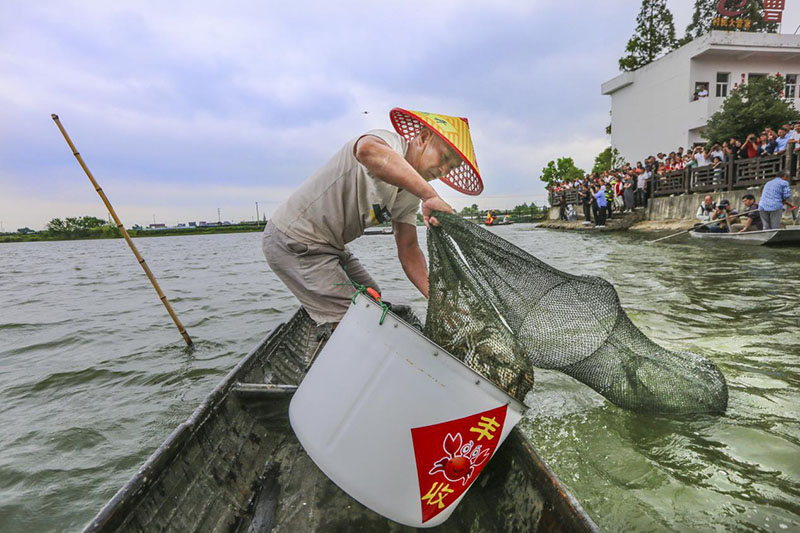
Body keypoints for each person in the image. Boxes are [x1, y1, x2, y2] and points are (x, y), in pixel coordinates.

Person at [262, 107, 475, 325]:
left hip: (332, 248)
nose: (444, 170)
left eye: (452, 167)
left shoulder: (411, 194)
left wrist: (437, 299)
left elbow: (409, 249)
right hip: (294, 241)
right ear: (422, 138)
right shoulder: (389, 142)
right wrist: (429, 196)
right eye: (445, 157)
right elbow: (366, 150)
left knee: (373, 296)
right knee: (357, 321)